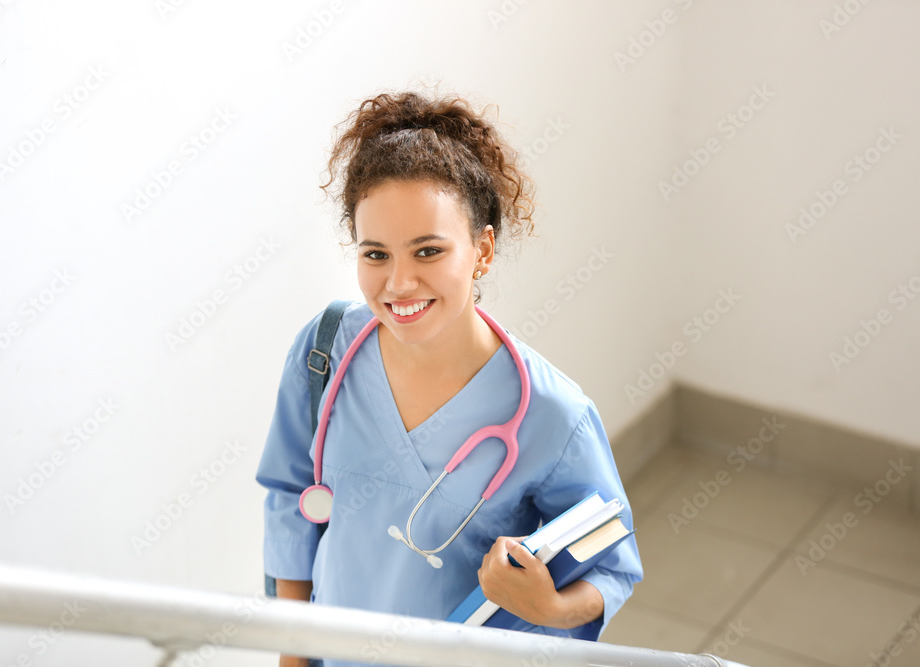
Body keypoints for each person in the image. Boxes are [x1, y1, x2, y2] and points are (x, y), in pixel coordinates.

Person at [255, 90, 642, 667]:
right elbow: (290, 498)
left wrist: (549, 608)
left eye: (428, 251)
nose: (399, 283)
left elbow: (611, 565)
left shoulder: (551, 414)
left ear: (482, 250)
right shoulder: (323, 351)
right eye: (376, 254)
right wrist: (294, 658)